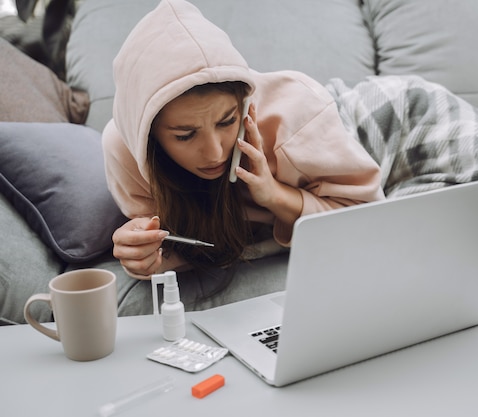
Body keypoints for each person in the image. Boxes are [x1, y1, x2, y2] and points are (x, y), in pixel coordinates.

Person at [102, 0, 384, 280]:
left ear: (245, 104)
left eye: (227, 121)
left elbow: (368, 222)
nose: (214, 153)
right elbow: (175, 248)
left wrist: (274, 194)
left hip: (377, 114)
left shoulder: (298, 114)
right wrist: (143, 256)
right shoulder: (125, 151)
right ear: (150, 135)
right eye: (185, 135)